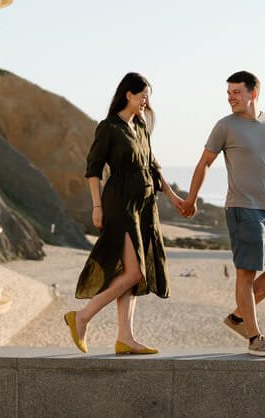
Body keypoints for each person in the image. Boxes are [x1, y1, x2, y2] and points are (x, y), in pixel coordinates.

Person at [180, 70, 265, 357]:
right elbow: (204, 163)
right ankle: (254, 337)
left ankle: (239, 318)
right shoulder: (225, 126)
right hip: (243, 209)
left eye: (236, 92)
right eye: (228, 93)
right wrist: (192, 198)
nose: (231, 98)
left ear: (254, 93)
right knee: (246, 274)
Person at [64, 72, 185, 355]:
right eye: (143, 96)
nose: (146, 101)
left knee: (133, 273)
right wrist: (97, 206)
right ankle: (81, 317)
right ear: (128, 94)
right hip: (120, 204)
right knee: (134, 272)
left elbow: (153, 166)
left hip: (144, 206)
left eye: (148, 97)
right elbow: (93, 170)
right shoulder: (108, 128)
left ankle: (125, 338)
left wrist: (173, 195)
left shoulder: (140, 127)